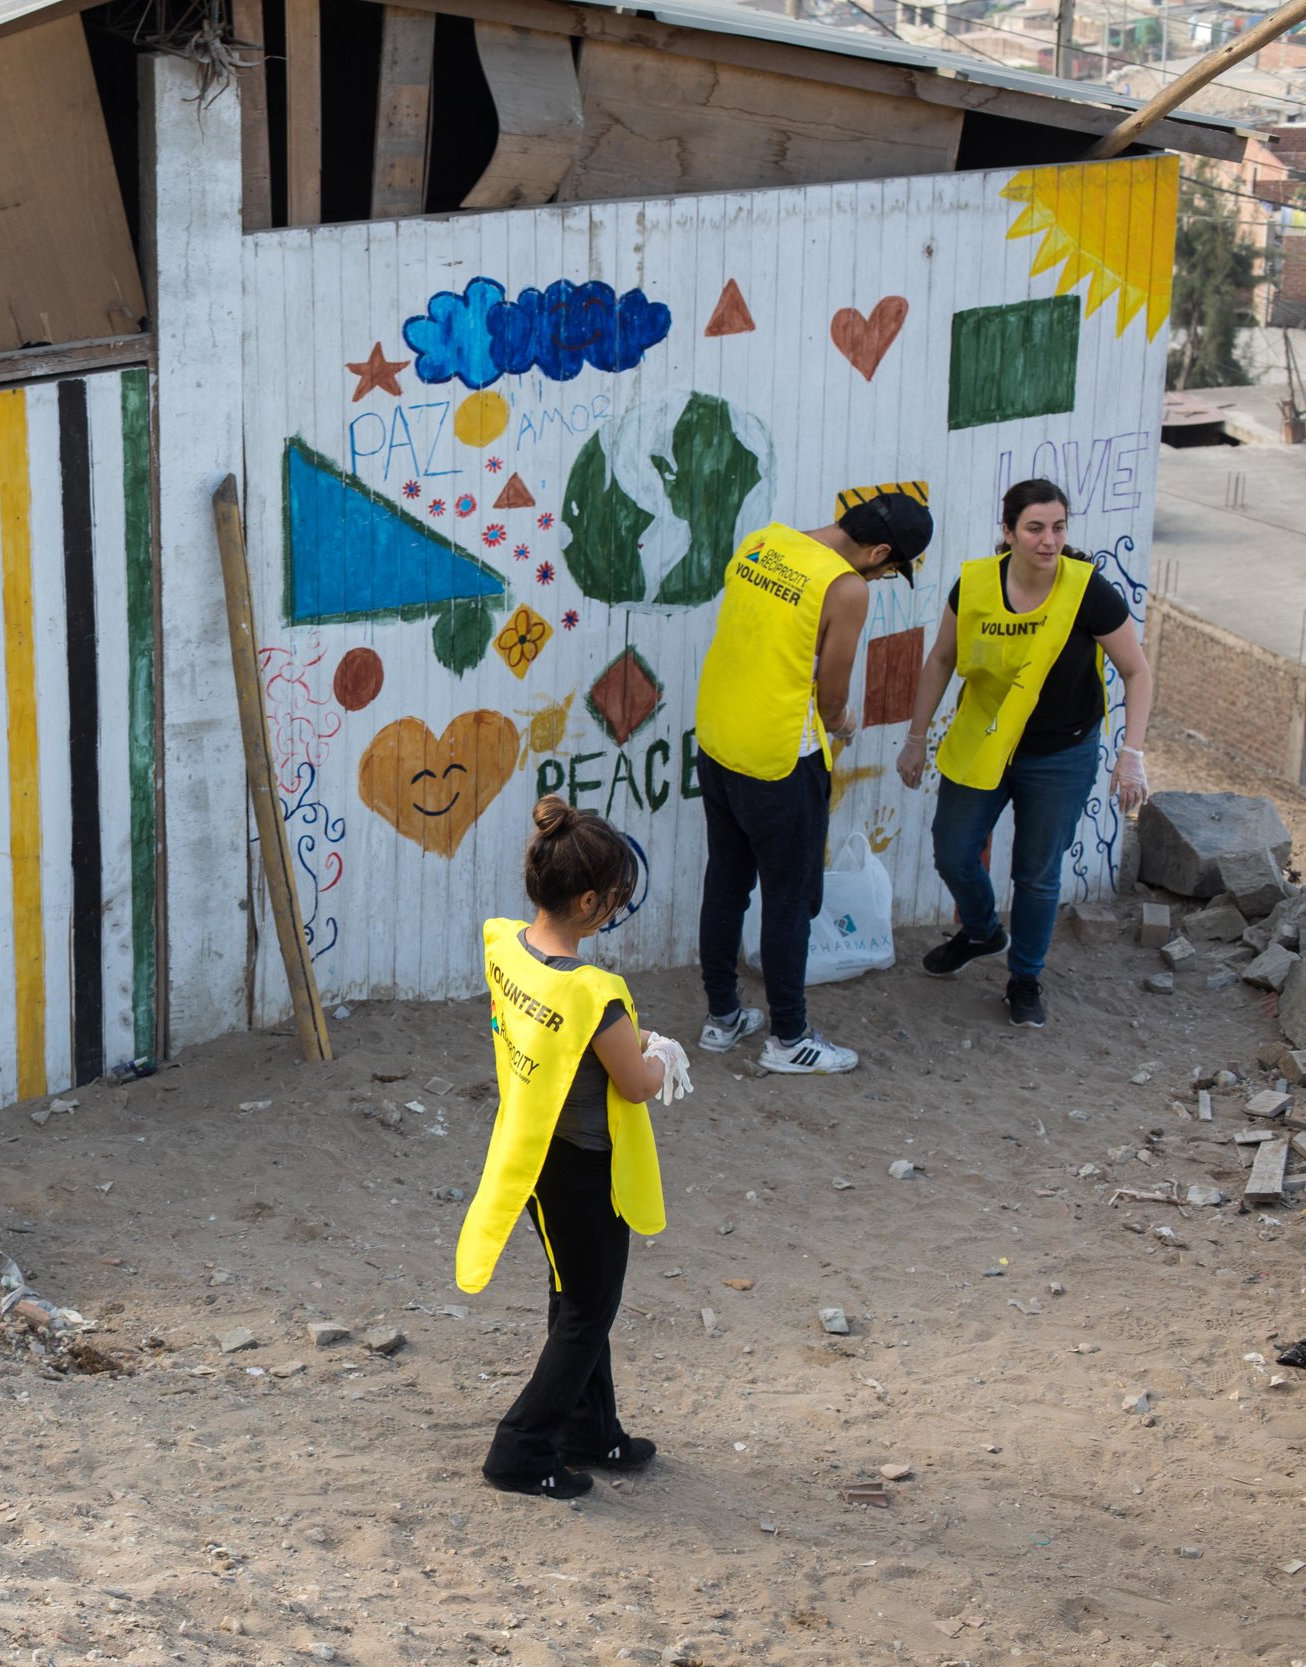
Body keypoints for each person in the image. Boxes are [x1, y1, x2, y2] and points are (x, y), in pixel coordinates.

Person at [460, 798, 691, 1501]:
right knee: (589, 1306)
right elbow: (636, 1081)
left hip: (534, 1157)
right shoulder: (598, 995)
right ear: (590, 900)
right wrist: (664, 1054)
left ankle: (592, 1429)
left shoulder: (505, 946)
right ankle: (521, 1448)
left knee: (574, 1292)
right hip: (588, 1167)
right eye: (616, 899)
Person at [895, 479, 1151, 1028]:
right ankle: (984, 930)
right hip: (984, 739)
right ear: (1008, 531)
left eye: (1058, 527)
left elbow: (1136, 670)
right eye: (1035, 528)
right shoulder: (975, 585)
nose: (1049, 540)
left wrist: (1133, 753)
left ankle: (1025, 976)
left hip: (1061, 753)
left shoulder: (1088, 590)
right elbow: (942, 659)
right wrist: (916, 738)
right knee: (953, 851)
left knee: (1037, 874)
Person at [693, 492, 933, 1075]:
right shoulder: (847, 587)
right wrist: (842, 723)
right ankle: (789, 1038)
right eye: (891, 567)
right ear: (879, 552)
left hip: (720, 741)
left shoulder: (765, 541)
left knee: (726, 882)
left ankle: (722, 1018)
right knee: (789, 898)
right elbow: (831, 695)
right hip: (781, 759)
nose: (882, 574)